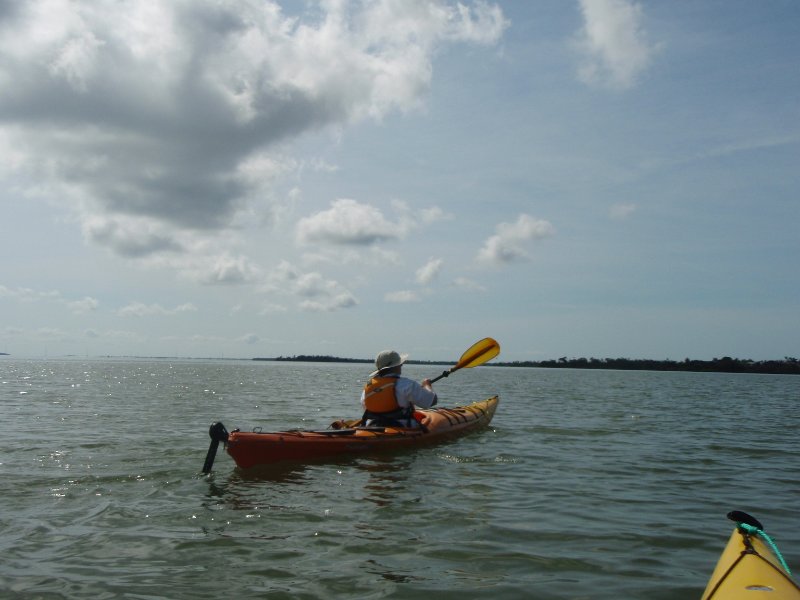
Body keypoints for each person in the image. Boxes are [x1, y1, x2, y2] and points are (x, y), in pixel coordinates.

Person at [360, 349, 437, 427]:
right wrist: (427, 385)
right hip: (401, 427)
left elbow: (366, 407)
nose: (401, 365)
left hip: (371, 426)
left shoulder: (368, 387)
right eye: (400, 364)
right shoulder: (407, 385)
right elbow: (432, 401)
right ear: (396, 366)